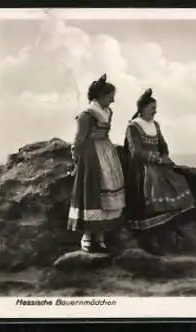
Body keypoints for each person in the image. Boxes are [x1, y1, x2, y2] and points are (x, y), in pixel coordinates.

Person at [122, 88, 196, 254]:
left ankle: (169, 232)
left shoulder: (155, 125)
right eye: (152, 108)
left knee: (179, 178)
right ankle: (151, 237)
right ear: (142, 108)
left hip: (159, 164)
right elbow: (136, 152)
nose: (155, 111)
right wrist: (155, 159)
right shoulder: (133, 127)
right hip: (143, 167)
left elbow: (163, 145)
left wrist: (164, 156)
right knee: (155, 182)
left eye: (155, 108)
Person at [67, 74, 125, 254]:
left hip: (106, 152)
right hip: (91, 155)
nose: (113, 100)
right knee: (91, 192)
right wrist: (76, 158)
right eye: (110, 96)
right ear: (99, 96)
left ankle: (100, 237)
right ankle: (86, 237)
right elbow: (79, 138)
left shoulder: (108, 112)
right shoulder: (87, 114)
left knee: (106, 193)